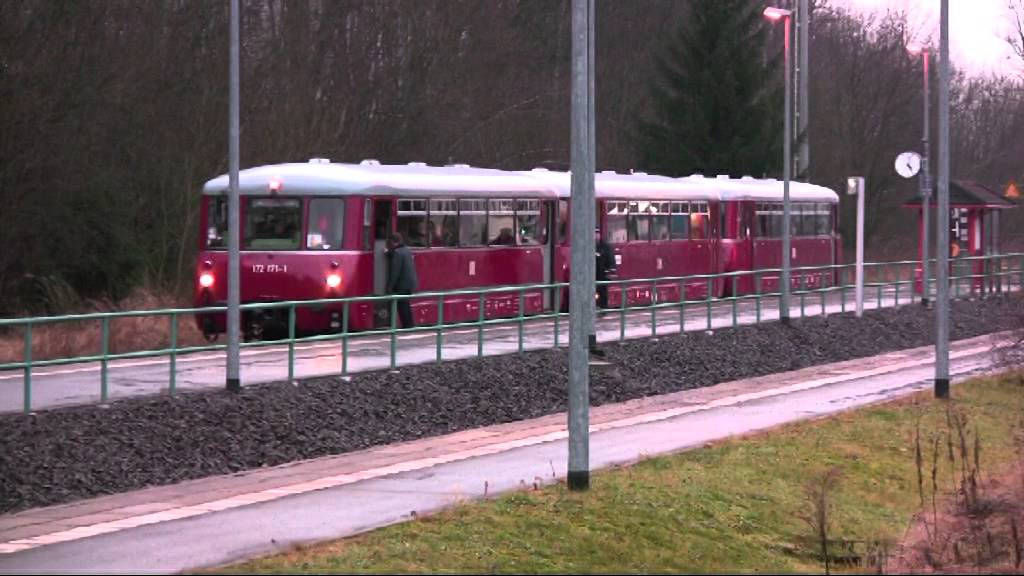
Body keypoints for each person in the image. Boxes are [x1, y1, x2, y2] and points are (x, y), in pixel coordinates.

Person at [386, 232, 419, 328]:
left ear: (392, 242)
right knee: (405, 304)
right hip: (410, 283)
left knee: (402, 306)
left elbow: (395, 272)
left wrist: (390, 286)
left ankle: (407, 326)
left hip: (402, 284)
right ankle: (409, 325)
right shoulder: (406, 250)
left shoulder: (397, 253)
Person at [595, 226, 615, 309]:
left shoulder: (605, 247)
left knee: (602, 291)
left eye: (597, 233)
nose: (595, 236)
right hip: (592, 275)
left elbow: (610, 259)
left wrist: (610, 271)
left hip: (602, 274)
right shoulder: (587, 246)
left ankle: (603, 307)